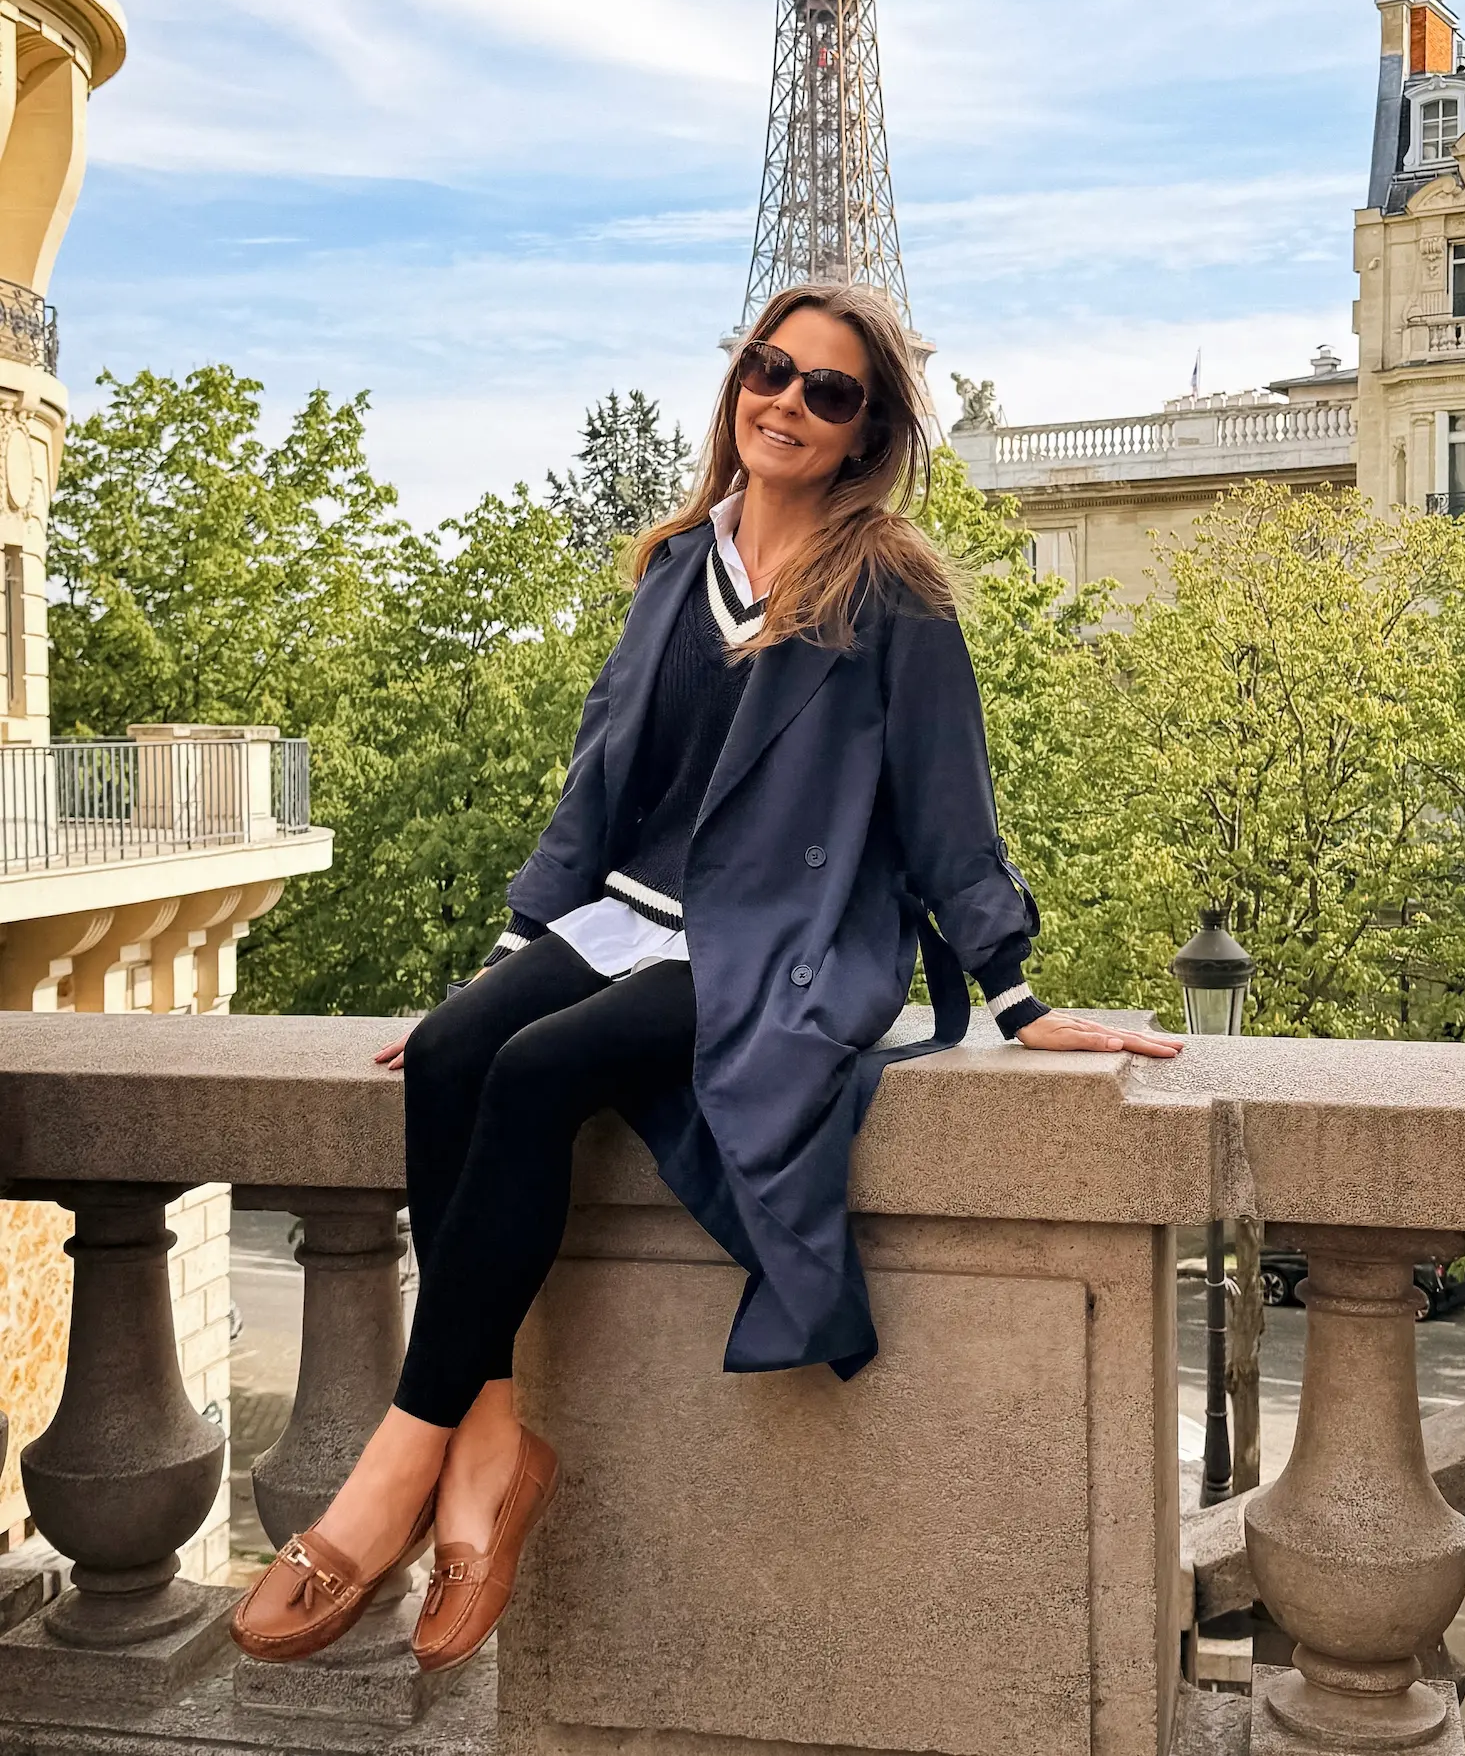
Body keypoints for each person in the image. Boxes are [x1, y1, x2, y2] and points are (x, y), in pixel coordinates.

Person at [230, 282, 1183, 1672]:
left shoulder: (890, 587)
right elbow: (601, 777)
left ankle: (398, 1466)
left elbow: (945, 802)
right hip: (628, 914)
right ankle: (490, 1445)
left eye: (829, 390)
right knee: (453, 1056)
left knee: (541, 1073)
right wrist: (506, 957)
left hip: (785, 935)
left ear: (869, 433)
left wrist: (1019, 996)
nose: (787, 400)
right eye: (770, 370)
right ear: (738, 385)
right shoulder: (682, 563)